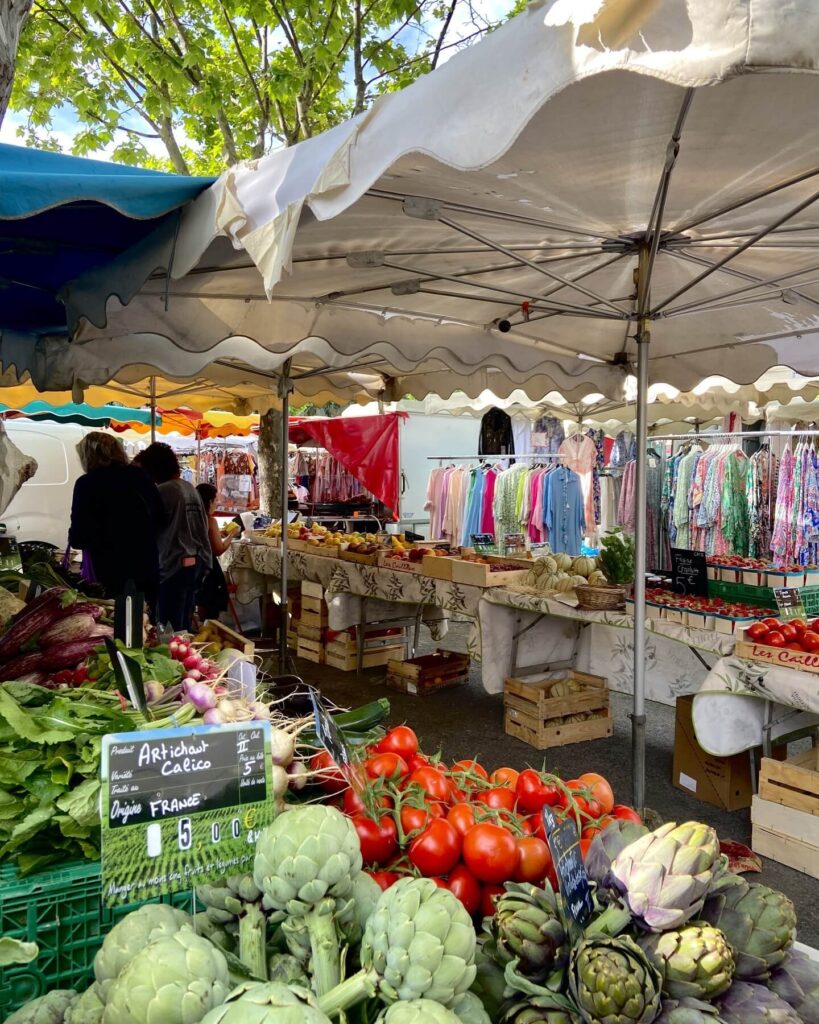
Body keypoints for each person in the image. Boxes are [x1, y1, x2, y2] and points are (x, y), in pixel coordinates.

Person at [69, 432, 165, 609]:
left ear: (89, 456)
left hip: (110, 571)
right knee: (145, 624)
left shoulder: (87, 483)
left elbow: (78, 537)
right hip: (147, 565)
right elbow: (161, 518)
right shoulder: (141, 477)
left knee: (116, 623)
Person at [138, 442, 212, 631]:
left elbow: (151, 528)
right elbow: (202, 527)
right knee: (183, 624)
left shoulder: (164, 491)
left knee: (169, 627)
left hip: (173, 564)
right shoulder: (190, 488)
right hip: (194, 562)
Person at [195, 482, 234, 622]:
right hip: (208, 567)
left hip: (195, 567)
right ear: (209, 501)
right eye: (215, 500)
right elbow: (218, 549)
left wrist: (219, 533)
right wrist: (232, 535)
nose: (216, 504)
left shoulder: (194, 518)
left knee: (201, 603)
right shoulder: (210, 521)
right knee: (210, 607)